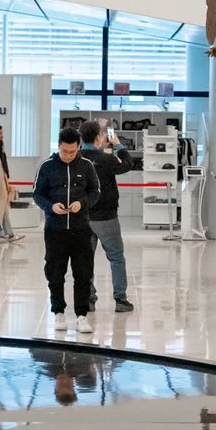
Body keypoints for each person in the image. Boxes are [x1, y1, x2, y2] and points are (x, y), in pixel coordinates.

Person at [33, 128, 102, 333]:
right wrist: (50, 207)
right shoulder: (47, 166)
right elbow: (38, 194)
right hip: (55, 229)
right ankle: (58, 312)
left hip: (81, 228)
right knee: (55, 272)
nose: (68, 155)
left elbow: (95, 192)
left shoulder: (87, 166)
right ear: (59, 146)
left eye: (72, 152)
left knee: (83, 273)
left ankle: (81, 315)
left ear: (78, 148)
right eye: (64, 151)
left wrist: (83, 203)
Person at [82, 120, 137, 314]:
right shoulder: (106, 160)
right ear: (99, 137)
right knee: (116, 257)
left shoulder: (77, 159)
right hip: (106, 216)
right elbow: (128, 164)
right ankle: (120, 300)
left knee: (85, 258)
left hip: (82, 216)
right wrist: (118, 145)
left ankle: (88, 298)